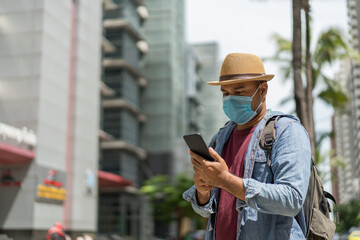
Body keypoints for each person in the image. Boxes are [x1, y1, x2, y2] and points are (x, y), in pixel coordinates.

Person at [183, 53, 311, 239]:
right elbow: (205, 211)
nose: (230, 99)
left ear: (263, 90)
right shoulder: (219, 139)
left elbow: (291, 200)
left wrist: (225, 180)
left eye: (239, 91)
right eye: (225, 93)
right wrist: (203, 191)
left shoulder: (287, 131)